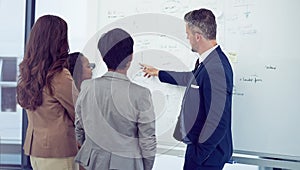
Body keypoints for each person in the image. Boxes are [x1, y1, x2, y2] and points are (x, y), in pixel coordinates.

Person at [141, 8, 233, 170]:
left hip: (207, 156)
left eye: (188, 34)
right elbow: (193, 78)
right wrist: (159, 73)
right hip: (203, 152)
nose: (187, 38)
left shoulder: (216, 68)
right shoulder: (209, 61)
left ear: (198, 37)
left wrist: (198, 156)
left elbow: (219, 122)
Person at [74, 28, 156, 170]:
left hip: (91, 163)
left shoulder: (87, 87)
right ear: (130, 57)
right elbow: (147, 140)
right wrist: (146, 167)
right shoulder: (141, 94)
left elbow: (79, 128)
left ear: (103, 56)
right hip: (127, 165)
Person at [16, 15, 79, 170]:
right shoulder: (59, 76)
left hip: (36, 151)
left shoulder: (28, 72)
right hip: (59, 152)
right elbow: (80, 113)